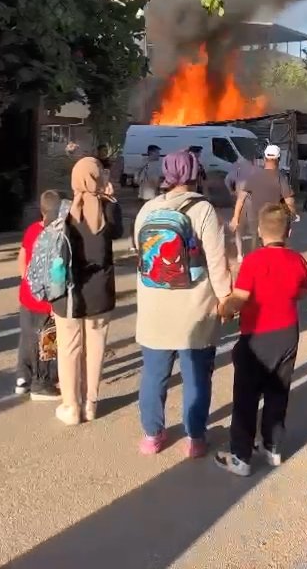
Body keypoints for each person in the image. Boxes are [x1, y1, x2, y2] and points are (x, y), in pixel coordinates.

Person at [135, 150, 232, 458]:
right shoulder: (203, 210)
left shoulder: (147, 209)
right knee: (197, 377)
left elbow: (140, 253)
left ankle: (152, 435)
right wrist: (226, 299)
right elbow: (217, 261)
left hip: (155, 309)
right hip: (195, 309)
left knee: (153, 375)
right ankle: (195, 439)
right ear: (195, 174)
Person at [215, 203, 307, 477]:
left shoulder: (254, 261)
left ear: (259, 231)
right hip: (288, 334)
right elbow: (303, 292)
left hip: (256, 337)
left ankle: (240, 457)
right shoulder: (298, 260)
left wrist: (224, 308)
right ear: (289, 231)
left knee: (246, 397)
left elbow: (240, 299)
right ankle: (272, 447)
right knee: (278, 392)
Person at [53, 157, 123, 426]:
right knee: (95, 348)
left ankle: (71, 406)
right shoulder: (108, 210)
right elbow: (117, 233)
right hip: (100, 291)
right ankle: (90, 403)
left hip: (67, 292)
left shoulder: (63, 211)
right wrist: (110, 199)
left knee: (69, 348)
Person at [15, 190, 62, 401]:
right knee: (47, 341)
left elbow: (22, 259)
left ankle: (22, 378)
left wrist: (27, 281)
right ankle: (42, 382)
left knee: (27, 337)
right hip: (46, 300)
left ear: (41, 210)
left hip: (27, 295)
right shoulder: (59, 234)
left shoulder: (32, 230)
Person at [230, 144, 298, 249]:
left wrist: (235, 218)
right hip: (273, 218)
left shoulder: (253, 177)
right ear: (278, 160)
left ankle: (256, 260)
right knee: (274, 246)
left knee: (256, 241)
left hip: (255, 218)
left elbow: (241, 198)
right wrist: (290, 217)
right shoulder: (280, 178)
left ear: (264, 159)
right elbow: (289, 202)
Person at [129, 145, 162, 252]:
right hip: (151, 197)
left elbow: (136, 180)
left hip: (141, 195)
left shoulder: (142, 164)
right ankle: (150, 243)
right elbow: (155, 182)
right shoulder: (154, 166)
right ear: (152, 153)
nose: (158, 155)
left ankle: (134, 244)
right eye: (157, 153)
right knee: (152, 221)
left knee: (138, 220)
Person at [225, 156, 256, 262]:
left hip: (239, 202)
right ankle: (253, 254)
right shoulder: (254, 172)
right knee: (254, 231)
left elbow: (227, 180)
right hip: (252, 203)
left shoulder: (236, 172)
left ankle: (239, 254)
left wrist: (231, 191)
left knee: (239, 230)